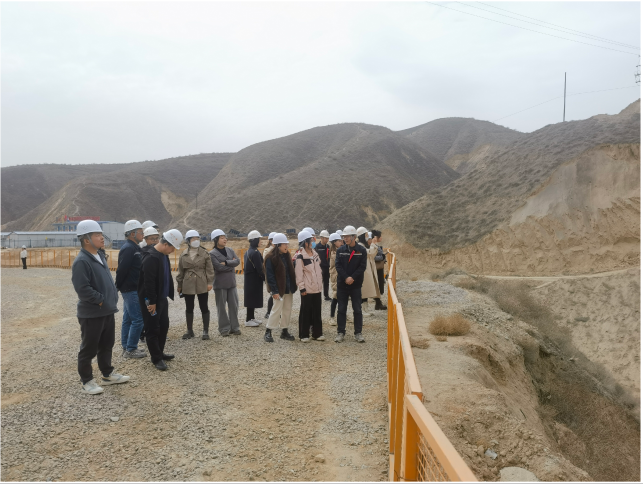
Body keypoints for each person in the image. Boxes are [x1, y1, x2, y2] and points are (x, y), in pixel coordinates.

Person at [71, 220, 129, 394]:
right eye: (97, 235)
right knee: (89, 348)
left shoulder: (99, 255)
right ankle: (87, 381)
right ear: (86, 239)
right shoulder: (82, 261)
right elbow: (82, 289)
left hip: (107, 310)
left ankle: (107, 374)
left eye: (101, 234)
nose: (102, 238)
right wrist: (101, 300)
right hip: (92, 313)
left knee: (106, 344)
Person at [138, 229, 182, 371]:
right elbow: (148, 282)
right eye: (172, 248)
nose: (173, 251)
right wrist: (152, 302)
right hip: (151, 299)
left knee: (163, 326)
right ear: (165, 244)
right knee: (152, 328)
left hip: (161, 298)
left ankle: (160, 352)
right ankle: (156, 359)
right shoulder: (151, 258)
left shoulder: (163, 255)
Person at [115, 220, 147, 359]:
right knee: (138, 319)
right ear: (132, 233)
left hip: (133, 288)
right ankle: (131, 349)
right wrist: (118, 286)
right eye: (140, 232)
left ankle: (126, 346)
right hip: (130, 289)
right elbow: (122, 269)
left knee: (128, 319)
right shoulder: (128, 248)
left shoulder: (135, 247)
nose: (143, 234)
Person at [177, 230, 214, 340]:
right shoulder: (183, 254)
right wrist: (179, 285)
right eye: (193, 239)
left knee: (204, 306)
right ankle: (189, 330)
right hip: (187, 282)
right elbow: (181, 271)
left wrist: (209, 282)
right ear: (188, 241)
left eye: (197, 238)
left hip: (202, 281)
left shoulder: (205, 253)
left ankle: (205, 331)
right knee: (189, 307)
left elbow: (210, 270)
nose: (196, 240)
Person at [334, 225, 367, 343]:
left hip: (356, 285)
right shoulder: (340, 250)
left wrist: (352, 277)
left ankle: (358, 333)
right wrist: (346, 277)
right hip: (342, 285)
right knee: (341, 309)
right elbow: (338, 266)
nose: (345, 238)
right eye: (344, 236)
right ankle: (340, 332)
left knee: (357, 309)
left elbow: (362, 267)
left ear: (354, 237)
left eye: (347, 236)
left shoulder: (361, 250)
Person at [263, 233, 296, 343]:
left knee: (287, 310)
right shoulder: (270, 258)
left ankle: (284, 331)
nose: (287, 245)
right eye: (284, 244)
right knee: (276, 310)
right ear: (278, 245)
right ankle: (268, 331)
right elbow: (270, 276)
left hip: (288, 288)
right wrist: (274, 291)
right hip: (279, 289)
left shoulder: (287, 256)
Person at [209, 229, 241, 337]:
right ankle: (224, 329)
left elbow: (237, 261)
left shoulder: (230, 250)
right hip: (220, 284)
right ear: (216, 240)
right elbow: (218, 267)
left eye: (225, 237)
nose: (225, 239)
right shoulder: (212, 254)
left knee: (234, 306)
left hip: (231, 283)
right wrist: (231, 266)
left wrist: (226, 262)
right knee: (221, 308)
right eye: (222, 238)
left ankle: (235, 328)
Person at [295, 230, 324, 342]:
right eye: (311, 241)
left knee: (317, 311)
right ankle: (304, 335)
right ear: (305, 243)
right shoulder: (300, 257)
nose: (313, 242)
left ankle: (317, 334)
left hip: (317, 288)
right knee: (305, 312)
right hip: (307, 289)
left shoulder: (315, 254)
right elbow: (299, 274)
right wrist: (302, 287)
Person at [139, 226, 160, 344]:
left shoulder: (159, 253)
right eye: (152, 239)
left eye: (157, 238)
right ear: (146, 239)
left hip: (155, 291)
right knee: (148, 317)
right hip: (146, 291)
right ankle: (145, 335)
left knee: (155, 318)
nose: (155, 241)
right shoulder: (145, 253)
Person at [356, 226, 381, 317]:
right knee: (363, 291)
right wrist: (373, 244)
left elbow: (371, 254)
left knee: (365, 291)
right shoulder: (359, 246)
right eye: (366, 235)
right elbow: (370, 253)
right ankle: (362, 310)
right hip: (363, 272)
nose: (367, 237)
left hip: (366, 271)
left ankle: (365, 309)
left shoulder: (362, 246)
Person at [243, 230, 265, 327]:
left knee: (251, 298)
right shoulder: (255, 252)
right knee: (252, 299)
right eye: (259, 239)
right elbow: (260, 268)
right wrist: (265, 278)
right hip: (254, 279)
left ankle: (251, 318)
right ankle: (248, 320)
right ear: (255, 240)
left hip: (250, 279)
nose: (261, 241)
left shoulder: (248, 251)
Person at [327, 232, 343, 326]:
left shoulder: (338, 250)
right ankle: (332, 317)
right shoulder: (334, 253)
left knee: (342, 297)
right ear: (334, 242)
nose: (341, 242)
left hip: (340, 275)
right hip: (335, 276)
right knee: (335, 296)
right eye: (339, 241)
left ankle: (342, 314)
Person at [371, 230, 388, 309]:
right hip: (376, 268)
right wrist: (382, 257)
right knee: (377, 285)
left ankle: (378, 302)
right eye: (380, 236)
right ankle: (378, 303)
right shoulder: (372, 246)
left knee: (378, 285)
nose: (381, 237)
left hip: (378, 268)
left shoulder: (375, 245)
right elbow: (373, 257)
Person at [263, 232, 276, 319]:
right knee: (273, 293)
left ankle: (273, 312)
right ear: (271, 241)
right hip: (271, 275)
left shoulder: (277, 250)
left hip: (277, 275)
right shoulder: (267, 251)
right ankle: (268, 312)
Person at [315, 230, 331, 301]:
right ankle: (317, 296)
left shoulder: (328, 246)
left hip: (327, 267)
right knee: (318, 282)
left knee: (326, 282)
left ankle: (326, 296)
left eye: (328, 238)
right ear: (321, 238)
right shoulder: (317, 247)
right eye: (326, 238)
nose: (327, 240)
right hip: (319, 267)